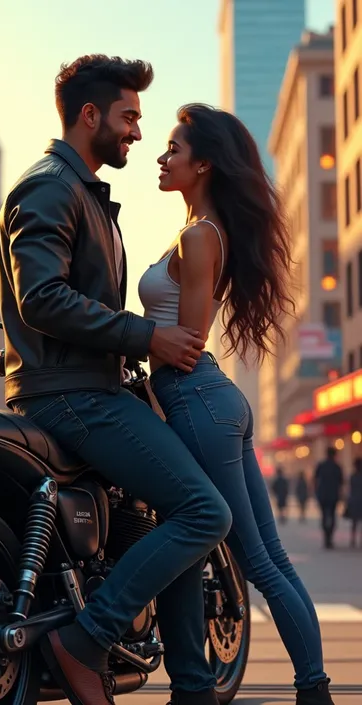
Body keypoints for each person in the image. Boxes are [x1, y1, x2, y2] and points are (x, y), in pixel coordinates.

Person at [0, 57, 232, 705]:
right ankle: (86, 637)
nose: (136, 132)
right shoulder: (53, 187)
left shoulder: (84, 193)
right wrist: (146, 335)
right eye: (129, 117)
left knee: (170, 510)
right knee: (205, 509)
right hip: (73, 396)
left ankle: (192, 685)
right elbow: (41, 297)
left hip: (91, 386)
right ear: (90, 115)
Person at [139, 103, 334, 705]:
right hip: (215, 401)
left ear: (203, 164)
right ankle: (313, 689)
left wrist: (130, 343)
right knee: (268, 558)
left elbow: (188, 344)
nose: (162, 156)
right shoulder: (206, 229)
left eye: (174, 148)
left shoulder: (199, 236)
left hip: (195, 396)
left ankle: (314, 690)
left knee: (257, 562)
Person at [314, 447, 344, 550]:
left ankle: (326, 537)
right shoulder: (337, 467)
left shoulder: (321, 465)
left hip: (322, 495)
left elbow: (315, 479)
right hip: (333, 495)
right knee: (332, 515)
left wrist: (316, 493)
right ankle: (329, 537)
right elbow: (341, 482)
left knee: (323, 516)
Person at [344, 457, 362, 548]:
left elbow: (350, 489)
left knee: (354, 522)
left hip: (354, 500)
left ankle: (353, 539)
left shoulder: (353, 476)